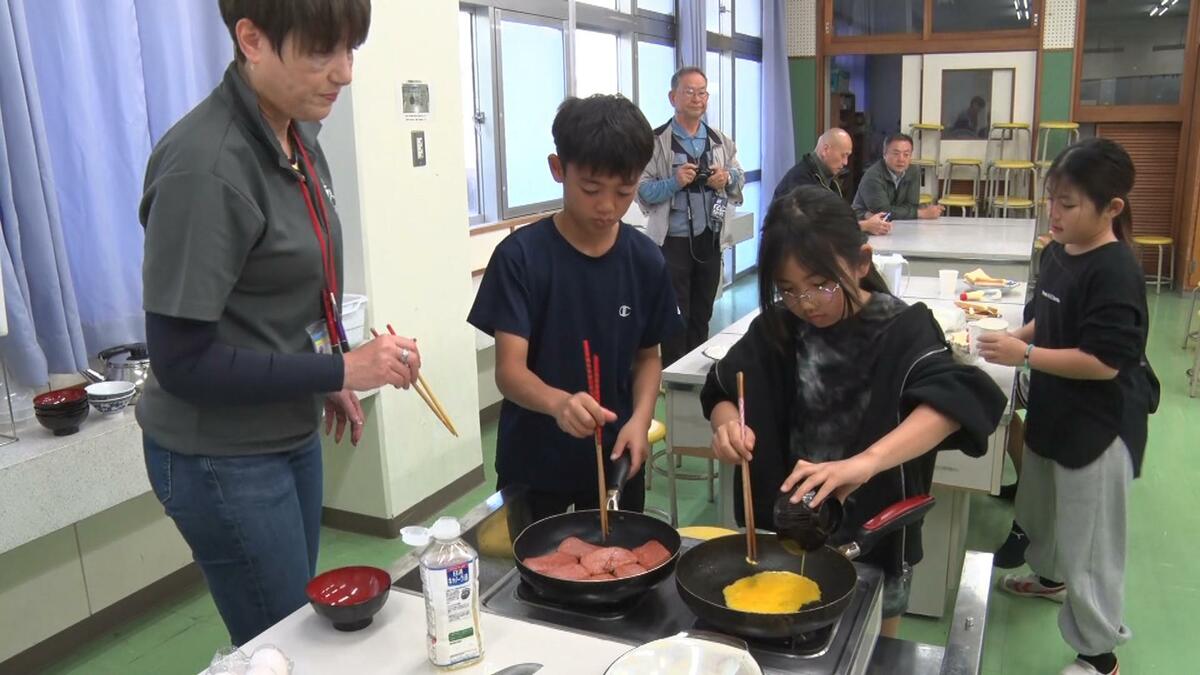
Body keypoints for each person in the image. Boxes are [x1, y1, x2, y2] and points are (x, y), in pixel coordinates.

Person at [138, 0, 420, 646]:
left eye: (350, 49)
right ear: (252, 39)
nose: (344, 73)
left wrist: (325, 374)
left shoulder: (296, 134)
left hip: (284, 427)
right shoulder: (205, 167)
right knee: (283, 640)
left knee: (294, 620)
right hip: (220, 453)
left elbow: (287, 293)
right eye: (323, 50)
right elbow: (180, 360)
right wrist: (343, 366)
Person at [701, 185, 1006, 637]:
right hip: (783, 540)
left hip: (874, 540)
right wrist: (728, 425)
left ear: (862, 262)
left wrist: (863, 464)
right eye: (789, 290)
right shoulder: (778, 329)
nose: (807, 304)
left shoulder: (902, 328)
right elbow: (723, 388)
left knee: (872, 650)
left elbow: (957, 403)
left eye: (822, 285)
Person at [979, 138, 1159, 675]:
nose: (1054, 213)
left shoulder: (1116, 271)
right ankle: (1050, 578)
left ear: (1112, 209)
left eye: (1069, 203)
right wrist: (1015, 335)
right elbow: (1049, 316)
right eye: (1051, 199)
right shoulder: (1058, 250)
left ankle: (1099, 654)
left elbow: (1105, 363)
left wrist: (1025, 353)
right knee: (1044, 513)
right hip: (1056, 410)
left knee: (1093, 543)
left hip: (1101, 426)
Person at [468, 95, 682, 522]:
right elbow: (510, 372)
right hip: (534, 461)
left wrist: (641, 420)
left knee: (616, 570)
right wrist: (559, 404)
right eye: (590, 189)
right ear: (557, 169)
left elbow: (648, 358)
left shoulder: (645, 261)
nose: (607, 206)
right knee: (529, 576)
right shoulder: (521, 258)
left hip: (616, 460)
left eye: (624, 191)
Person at [637, 66, 744, 366]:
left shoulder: (720, 140)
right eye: (689, 92)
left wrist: (726, 178)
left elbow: (739, 177)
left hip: (709, 239)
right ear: (673, 97)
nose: (697, 98)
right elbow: (643, 191)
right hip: (672, 242)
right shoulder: (656, 141)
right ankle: (675, 378)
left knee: (703, 312)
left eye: (702, 92)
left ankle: (697, 373)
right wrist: (675, 182)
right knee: (675, 314)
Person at [774, 128, 891, 235]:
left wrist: (865, 217)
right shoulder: (801, 180)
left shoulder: (826, 177)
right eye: (843, 155)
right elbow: (813, 226)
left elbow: (836, 216)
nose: (845, 162)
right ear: (826, 150)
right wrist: (865, 226)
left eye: (848, 156)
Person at [852, 133, 943, 223]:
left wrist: (899, 212)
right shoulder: (873, 176)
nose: (901, 159)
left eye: (906, 154)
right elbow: (882, 212)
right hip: (864, 223)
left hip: (898, 222)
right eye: (896, 154)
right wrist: (921, 213)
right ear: (884, 154)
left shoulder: (913, 172)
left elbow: (912, 206)